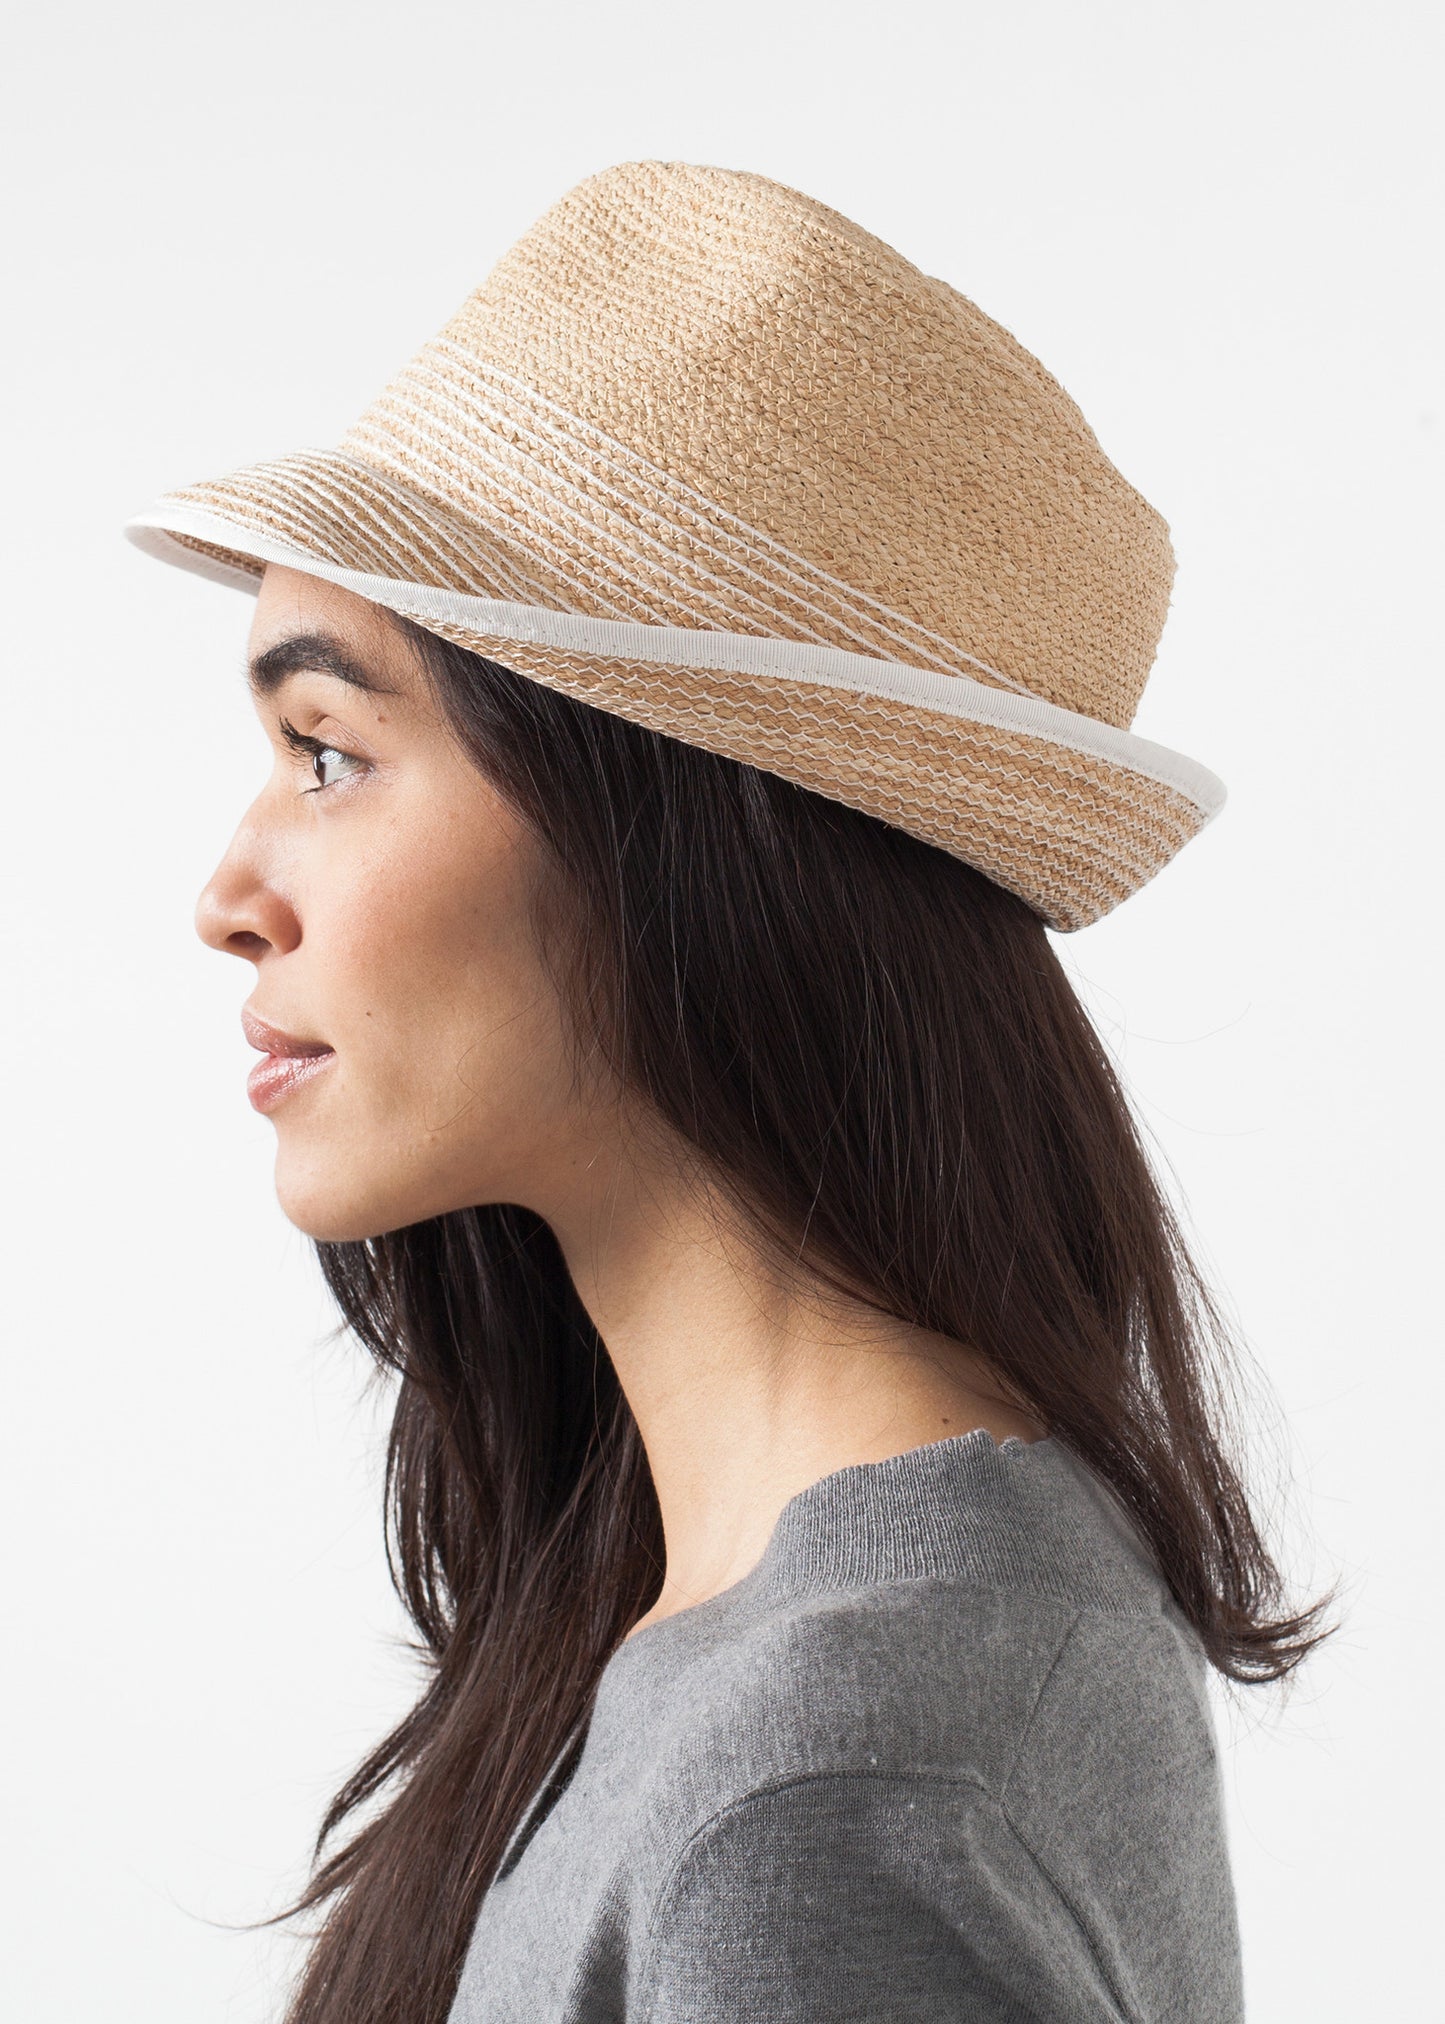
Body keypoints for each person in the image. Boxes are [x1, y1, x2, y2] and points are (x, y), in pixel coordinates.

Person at [126, 160, 1332, 2024]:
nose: (228, 895)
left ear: (666, 829)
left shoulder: (822, 1785)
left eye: (329, 750)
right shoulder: (783, 1618)